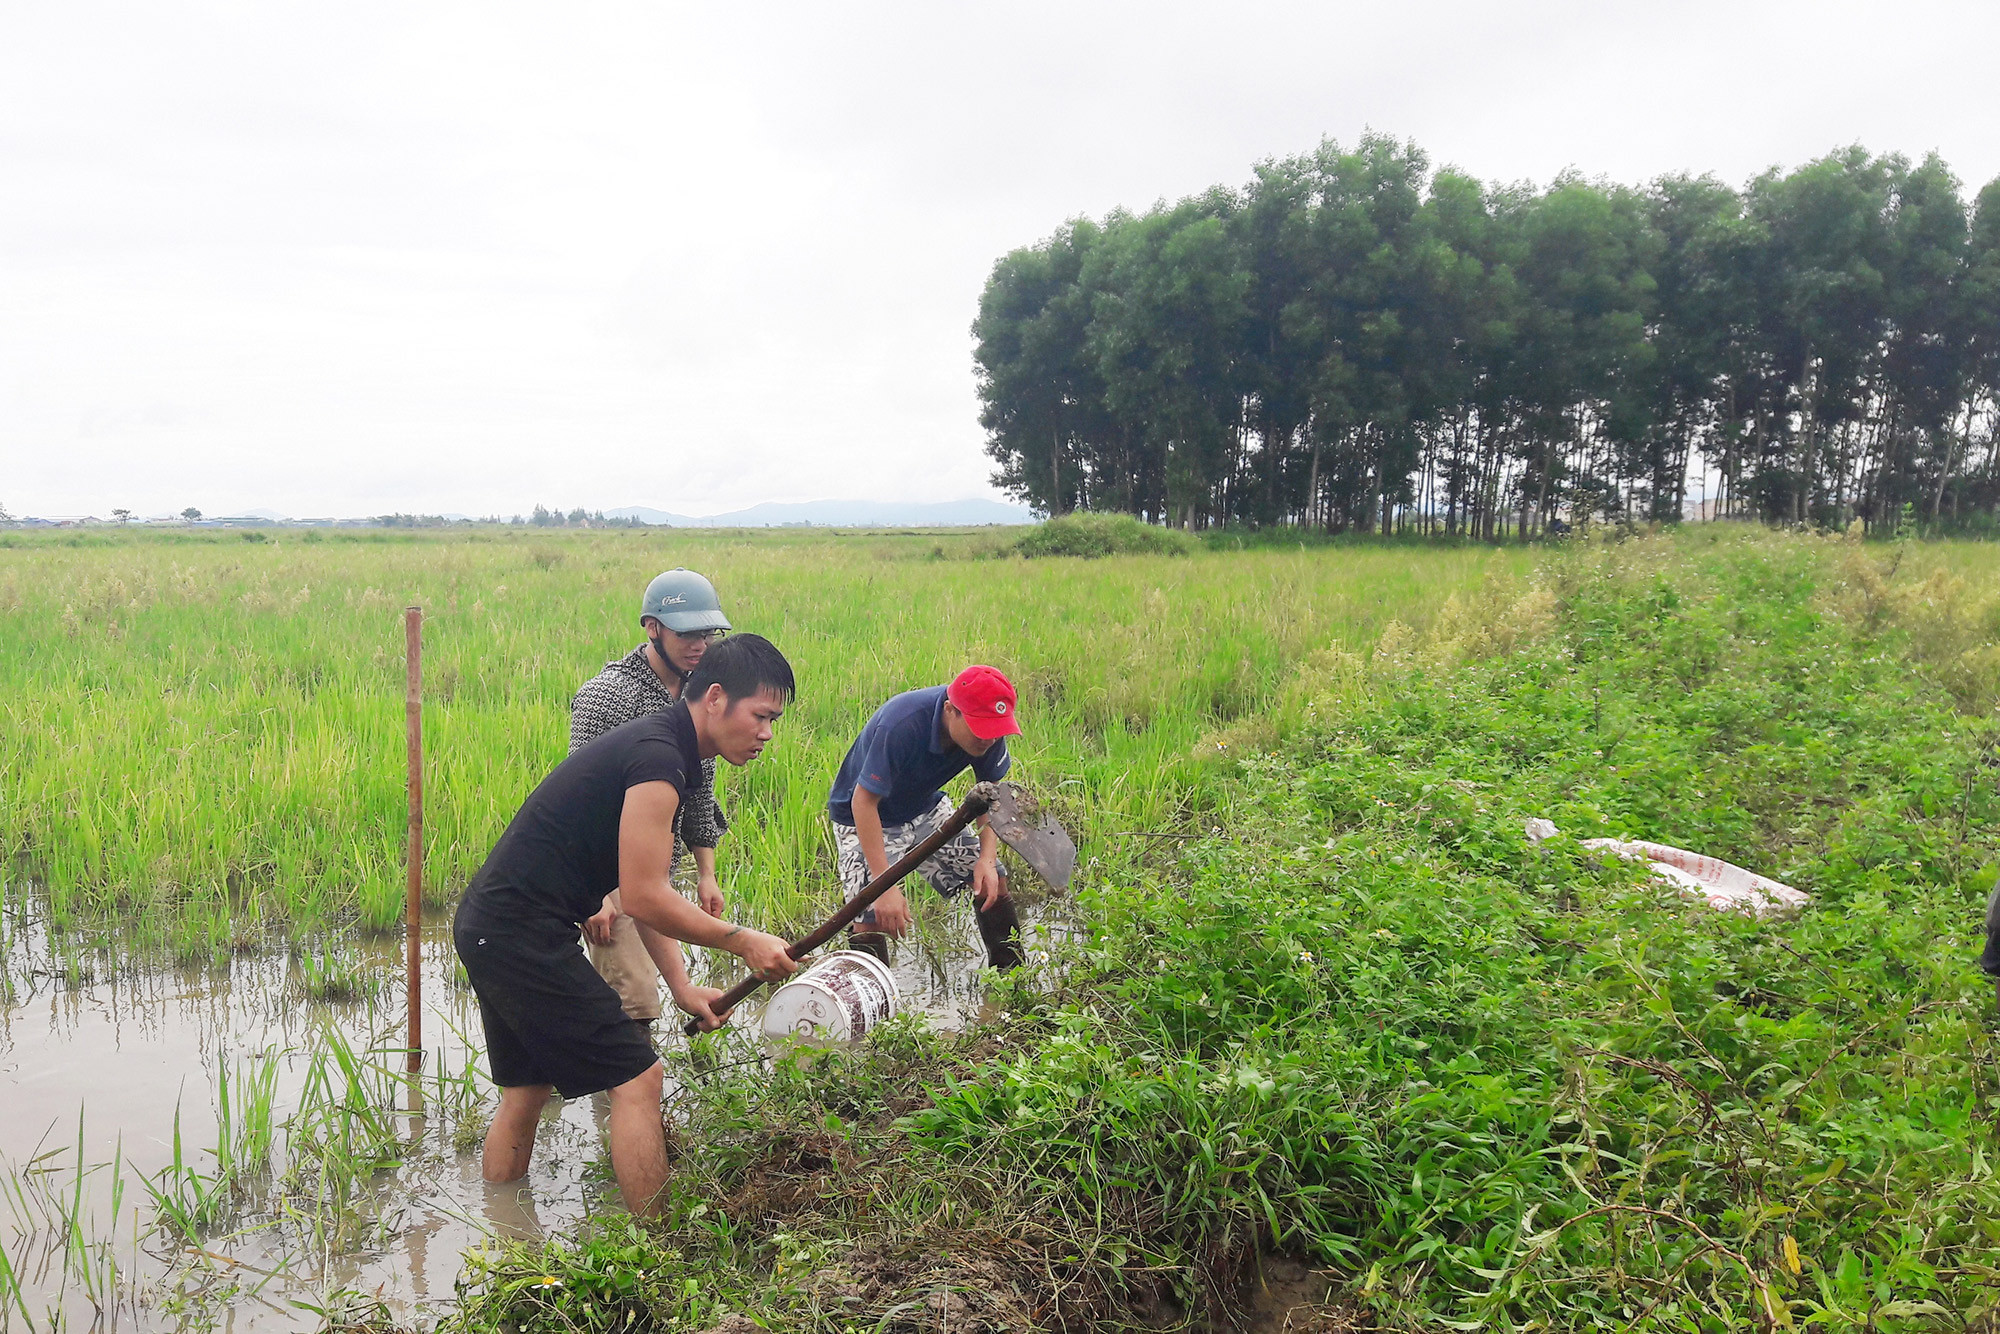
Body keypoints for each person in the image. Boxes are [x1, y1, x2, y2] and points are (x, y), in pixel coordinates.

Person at [453, 634, 801, 1216]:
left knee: (526, 1090)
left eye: (775, 720)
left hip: (498, 925)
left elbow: (644, 885)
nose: (768, 733)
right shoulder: (660, 757)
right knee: (639, 1079)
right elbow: (642, 896)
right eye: (761, 716)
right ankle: (661, 1254)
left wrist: (683, 987)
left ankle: (505, 1236)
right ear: (715, 698)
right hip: (519, 932)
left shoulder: (666, 749)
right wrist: (741, 941)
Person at [571, 568, 732, 1023]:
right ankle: (623, 1089)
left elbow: (700, 794)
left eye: (707, 633)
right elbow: (584, 801)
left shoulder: (702, 696)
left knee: (661, 992)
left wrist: (706, 874)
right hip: (610, 871)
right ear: (652, 628)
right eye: (687, 633)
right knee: (632, 1006)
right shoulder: (606, 697)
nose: (699, 644)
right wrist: (596, 895)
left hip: (657, 870)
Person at [826, 665, 1024, 970]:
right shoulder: (902, 723)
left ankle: (1013, 981)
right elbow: (863, 803)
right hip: (865, 815)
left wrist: (986, 858)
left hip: (923, 806)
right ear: (950, 710)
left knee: (993, 879)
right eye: (980, 729)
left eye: (996, 730)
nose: (988, 740)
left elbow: (991, 796)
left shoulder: (990, 732)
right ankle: (874, 1008)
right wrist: (884, 887)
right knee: (870, 915)